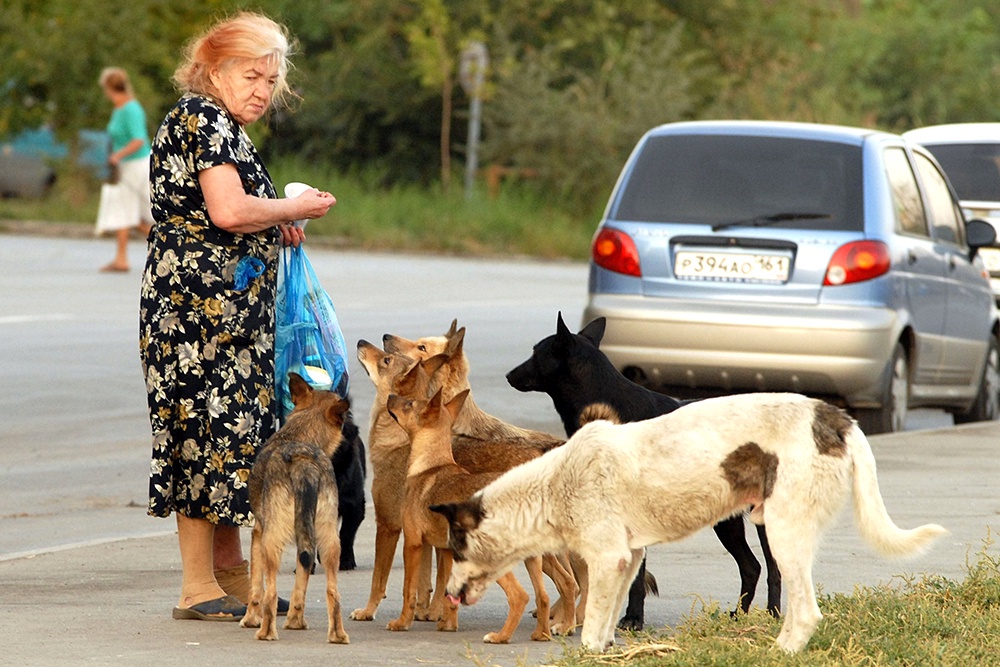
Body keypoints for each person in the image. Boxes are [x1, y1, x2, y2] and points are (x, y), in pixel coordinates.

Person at [140, 12, 336, 621]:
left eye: (271, 81)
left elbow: (226, 214)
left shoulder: (221, 125)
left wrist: (278, 222)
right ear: (214, 69)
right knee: (199, 438)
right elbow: (225, 212)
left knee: (229, 442)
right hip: (196, 316)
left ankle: (229, 575)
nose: (262, 90)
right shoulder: (202, 118)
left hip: (224, 313)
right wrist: (291, 204)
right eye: (252, 75)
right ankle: (198, 586)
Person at [95, 67, 154, 272]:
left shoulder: (131, 109)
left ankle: (169, 245)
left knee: (136, 214)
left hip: (137, 165)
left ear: (109, 88)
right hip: (125, 165)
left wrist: (118, 155)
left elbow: (139, 139)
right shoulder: (119, 108)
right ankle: (122, 257)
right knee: (130, 213)